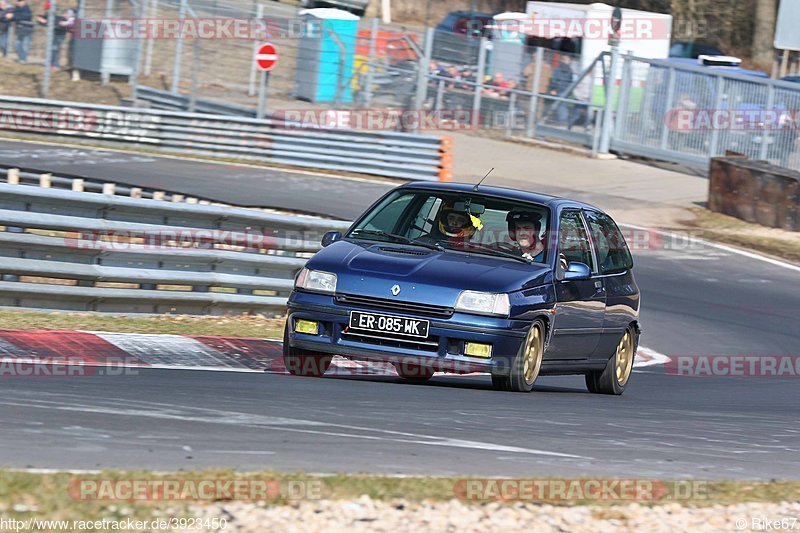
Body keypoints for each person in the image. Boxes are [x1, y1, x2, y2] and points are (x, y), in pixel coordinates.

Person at [37, 3, 72, 68]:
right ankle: (51, 63)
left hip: (60, 35)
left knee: (55, 48)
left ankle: (55, 65)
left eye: (48, 9)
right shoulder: (50, 14)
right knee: (52, 48)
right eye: (47, 9)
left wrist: (45, 22)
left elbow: (57, 23)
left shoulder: (57, 14)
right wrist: (41, 20)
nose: (47, 10)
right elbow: (45, 20)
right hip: (54, 34)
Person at [547, 54, 575, 124]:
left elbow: (554, 79)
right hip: (566, 89)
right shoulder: (570, 70)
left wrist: (553, 89)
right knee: (562, 105)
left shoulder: (558, 69)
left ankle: (561, 119)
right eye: (568, 60)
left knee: (560, 105)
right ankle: (562, 119)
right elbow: (570, 81)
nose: (569, 62)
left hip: (559, 89)